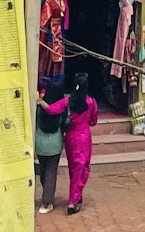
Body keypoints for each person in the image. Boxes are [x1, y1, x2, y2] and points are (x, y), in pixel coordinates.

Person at [64, 72, 99, 214]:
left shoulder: (67, 101)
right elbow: (93, 121)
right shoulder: (90, 102)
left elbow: (52, 109)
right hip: (84, 138)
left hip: (70, 138)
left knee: (74, 168)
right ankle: (73, 201)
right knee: (83, 168)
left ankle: (78, 196)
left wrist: (42, 103)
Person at [36, 81, 68, 213]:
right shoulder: (62, 108)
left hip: (40, 143)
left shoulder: (39, 107)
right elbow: (65, 125)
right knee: (51, 171)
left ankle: (47, 194)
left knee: (43, 170)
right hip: (55, 143)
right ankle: (47, 201)